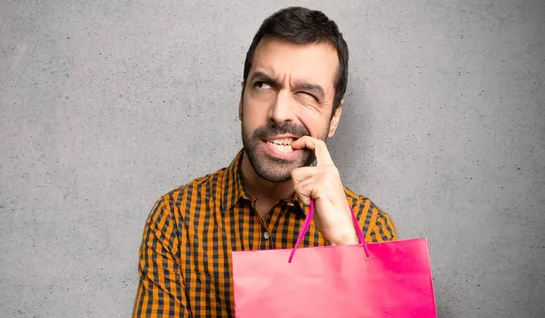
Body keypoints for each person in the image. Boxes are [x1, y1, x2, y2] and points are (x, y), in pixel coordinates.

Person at [132, 6, 397, 317]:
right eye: (264, 85)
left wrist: (345, 246)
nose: (279, 111)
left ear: (334, 117)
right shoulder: (175, 218)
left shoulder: (370, 227)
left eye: (306, 94)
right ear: (242, 100)